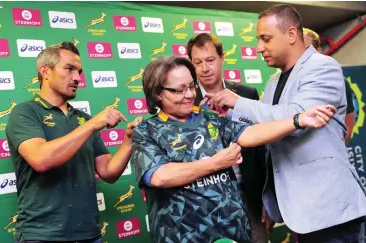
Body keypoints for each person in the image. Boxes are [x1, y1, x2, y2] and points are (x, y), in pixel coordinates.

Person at [131, 55, 335, 243]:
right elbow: (160, 176)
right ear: (157, 93)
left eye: (192, 86)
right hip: (182, 235)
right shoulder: (146, 131)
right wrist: (215, 163)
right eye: (179, 90)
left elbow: (252, 134)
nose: (189, 94)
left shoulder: (209, 117)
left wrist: (297, 120)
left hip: (233, 232)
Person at [207, 4, 366, 242]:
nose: (260, 48)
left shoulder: (323, 67)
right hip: (298, 209)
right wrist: (228, 112)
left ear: (291, 34)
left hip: (332, 211)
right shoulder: (273, 81)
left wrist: (237, 102)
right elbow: (267, 124)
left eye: (266, 39)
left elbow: (296, 117)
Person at [6, 42, 143, 243]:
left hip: (89, 234)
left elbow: (108, 172)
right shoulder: (25, 112)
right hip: (41, 236)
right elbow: (41, 159)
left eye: (79, 71)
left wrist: (128, 141)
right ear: (45, 71)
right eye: (69, 69)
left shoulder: (84, 119)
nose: (77, 77)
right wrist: (91, 125)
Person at [187, 33, 268, 243]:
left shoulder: (246, 93)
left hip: (249, 195)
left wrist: (267, 197)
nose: (205, 68)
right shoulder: (185, 100)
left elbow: (261, 149)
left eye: (210, 60)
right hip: (206, 200)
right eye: (198, 62)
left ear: (222, 57)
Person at [303, 27, 355, 144]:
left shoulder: (337, 81)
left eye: (307, 49)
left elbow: (348, 125)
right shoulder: (284, 82)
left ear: (319, 50)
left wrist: (330, 153)